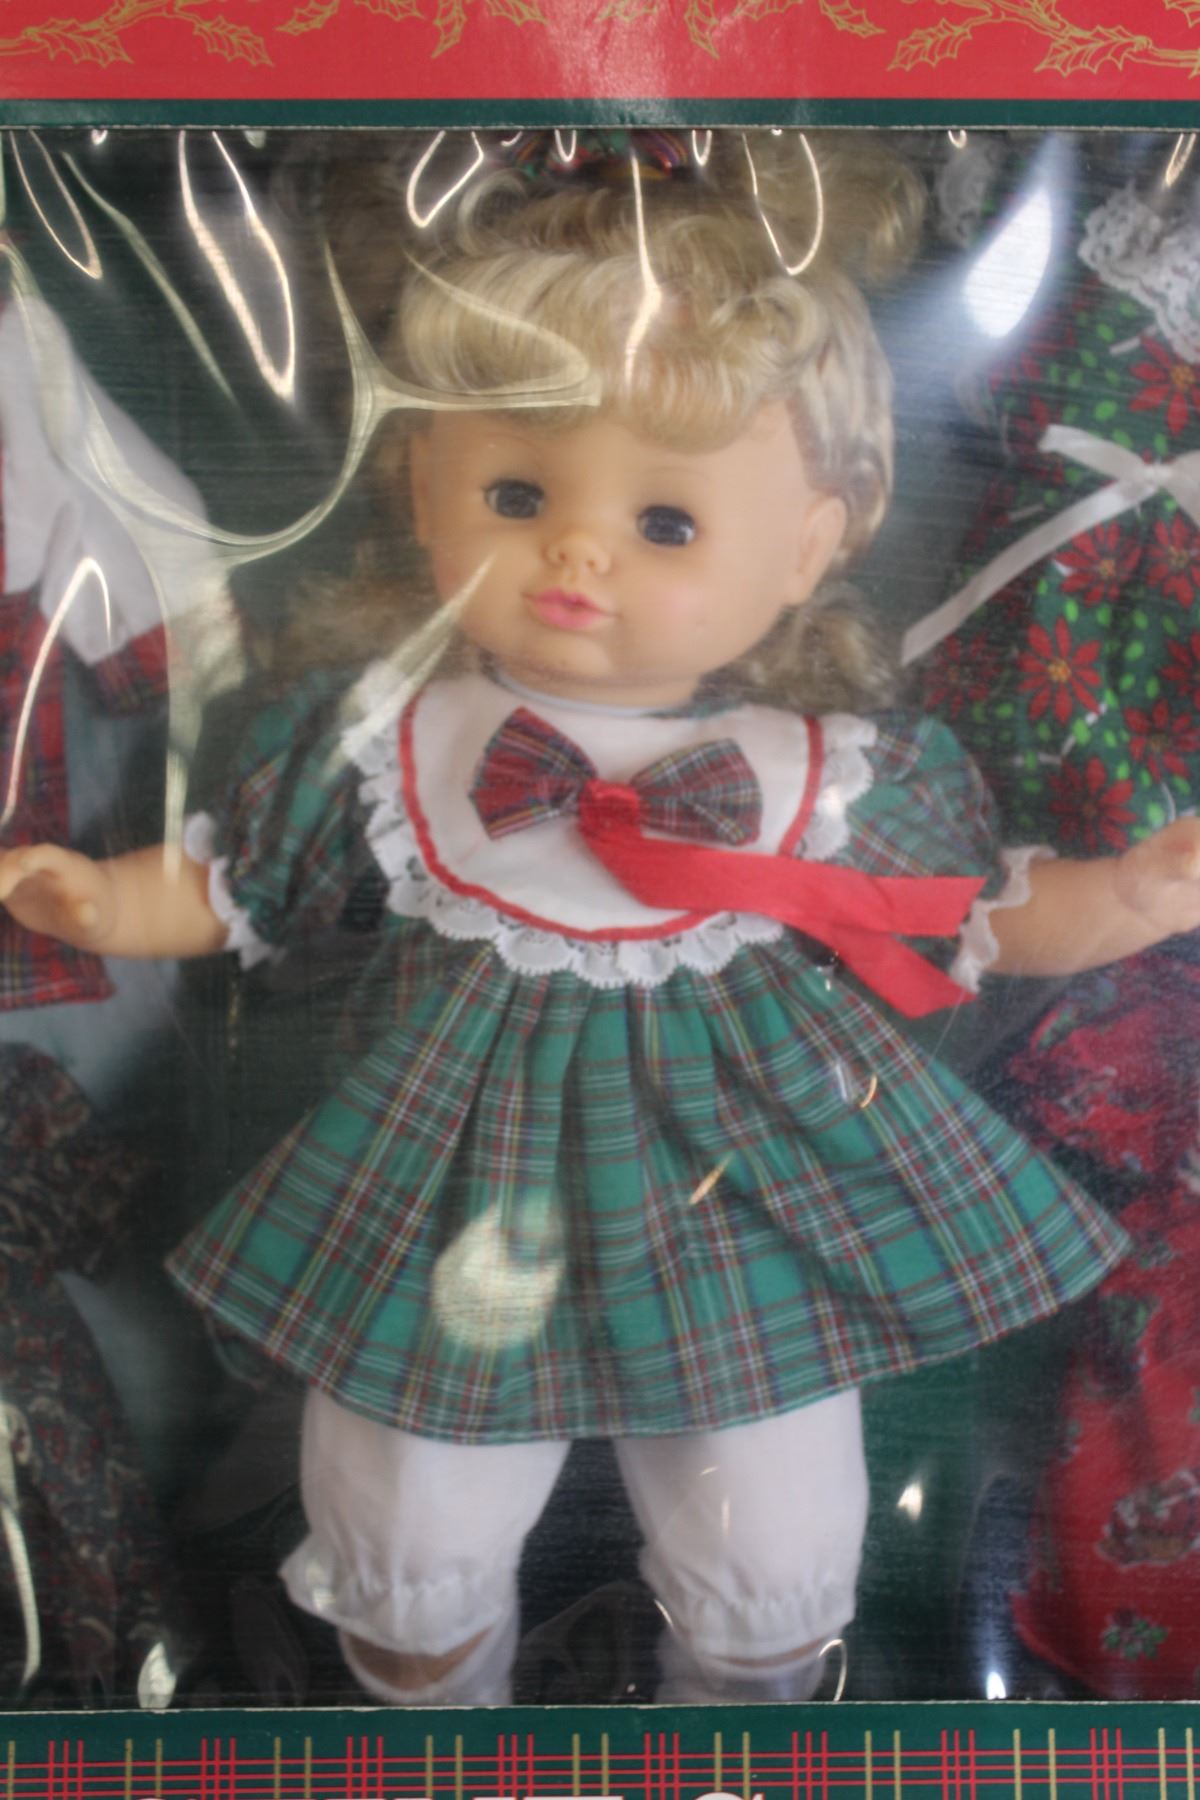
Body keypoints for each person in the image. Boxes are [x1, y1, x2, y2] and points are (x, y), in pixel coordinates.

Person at [1, 129, 1198, 1708]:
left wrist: (1122, 897)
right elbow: (245, 880)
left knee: (775, 1522)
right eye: (514, 491)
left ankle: (742, 1717)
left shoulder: (822, 771)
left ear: (816, 543)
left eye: (669, 523)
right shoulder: (399, 741)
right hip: (448, 1192)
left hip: (749, 1198)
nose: (575, 550)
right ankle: (432, 1713)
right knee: (407, 1509)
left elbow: (958, 913)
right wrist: (103, 895)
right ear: (417, 482)